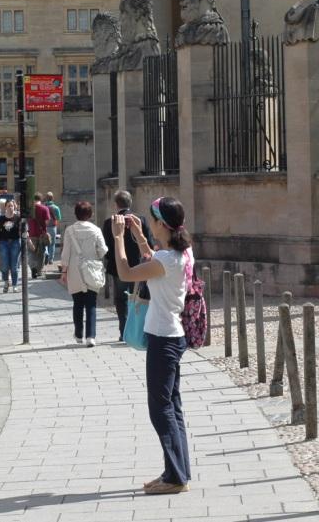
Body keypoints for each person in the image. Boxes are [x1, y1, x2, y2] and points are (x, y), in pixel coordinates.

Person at [111, 196, 193, 495]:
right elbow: (154, 262)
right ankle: (176, 471)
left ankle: (176, 478)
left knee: (161, 410)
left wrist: (119, 238)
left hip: (163, 339)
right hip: (174, 335)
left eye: (152, 219)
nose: (150, 223)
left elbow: (126, 273)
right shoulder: (181, 254)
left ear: (162, 223)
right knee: (173, 407)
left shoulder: (166, 260)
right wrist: (140, 237)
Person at [102, 190, 155, 341]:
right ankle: (137, 328)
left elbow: (107, 247)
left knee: (120, 299)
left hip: (120, 267)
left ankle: (123, 330)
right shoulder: (141, 219)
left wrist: (112, 260)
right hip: (139, 266)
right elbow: (149, 243)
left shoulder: (109, 222)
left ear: (115, 204)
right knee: (138, 298)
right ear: (130, 203)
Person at [59, 201, 107, 347]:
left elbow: (66, 252)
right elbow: (103, 249)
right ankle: (91, 336)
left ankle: (79, 334)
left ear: (76, 214)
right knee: (91, 303)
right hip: (91, 268)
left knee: (77, 303)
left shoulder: (70, 230)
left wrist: (64, 271)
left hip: (74, 269)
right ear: (90, 214)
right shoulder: (96, 230)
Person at [0, 200, 22, 293]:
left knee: (14, 266)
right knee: (5, 265)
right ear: (5, 207)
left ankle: (15, 285)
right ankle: (6, 282)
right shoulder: (1, 219)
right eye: (9, 206)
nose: (10, 207)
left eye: (12, 206)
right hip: (3, 243)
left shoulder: (18, 218)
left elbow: (21, 232)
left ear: (15, 207)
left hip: (15, 242)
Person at [26, 193, 51, 279]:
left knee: (31, 253)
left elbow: (25, 221)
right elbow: (47, 221)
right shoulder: (45, 208)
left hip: (31, 233)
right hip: (41, 234)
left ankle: (33, 267)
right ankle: (39, 270)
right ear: (41, 199)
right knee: (41, 253)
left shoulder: (29, 209)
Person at [43, 191, 61, 266]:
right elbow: (59, 218)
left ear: (46, 198)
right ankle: (51, 259)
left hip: (44, 227)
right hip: (53, 227)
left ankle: (46, 253)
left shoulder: (43, 207)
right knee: (52, 243)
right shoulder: (56, 207)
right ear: (52, 198)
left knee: (44, 243)